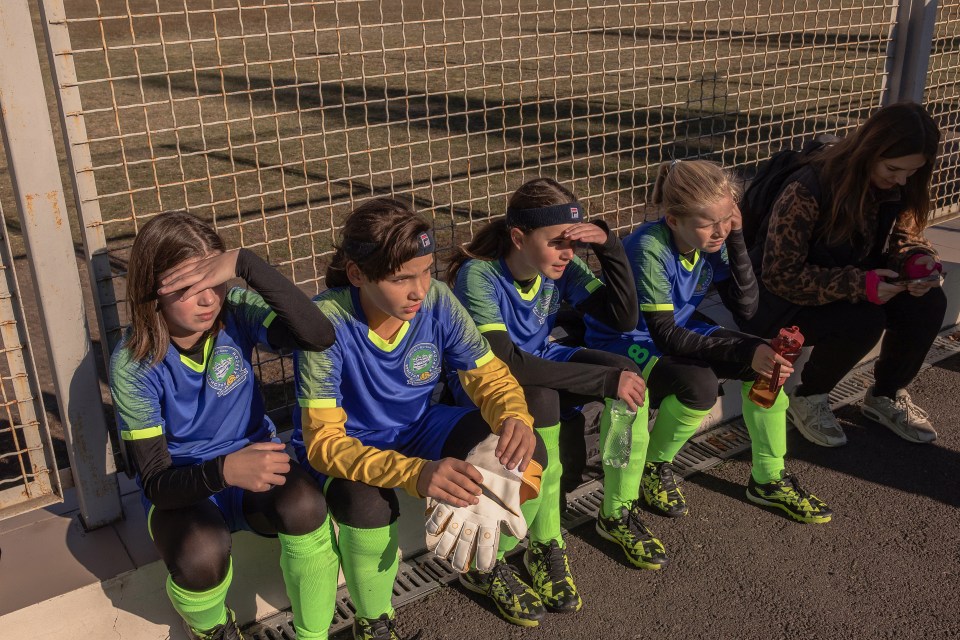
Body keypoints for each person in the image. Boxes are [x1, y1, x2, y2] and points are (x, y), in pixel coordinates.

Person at [290, 197, 547, 638]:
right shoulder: (325, 323)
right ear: (357, 274)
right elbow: (324, 444)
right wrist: (418, 474)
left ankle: (482, 564)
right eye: (400, 278)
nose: (419, 289)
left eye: (427, 270)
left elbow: (488, 377)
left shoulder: (439, 301)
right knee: (365, 503)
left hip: (419, 428)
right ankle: (373, 619)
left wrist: (514, 417)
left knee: (522, 452)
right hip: (353, 446)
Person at [109, 212, 340, 640]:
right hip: (186, 484)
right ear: (151, 294)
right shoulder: (133, 362)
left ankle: (315, 635)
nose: (208, 300)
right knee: (201, 553)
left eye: (214, 280)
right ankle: (213, 629)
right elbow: (157, 482)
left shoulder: (237, 311)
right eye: (185, 289)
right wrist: (223, 471)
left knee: (307, 507)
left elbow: (318, 335)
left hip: (255, 463)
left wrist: (246, 263)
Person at [446, 177, 676, 595]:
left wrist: (608, 247)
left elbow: (622, 319)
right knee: (546, 399)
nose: (568, 253)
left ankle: (615, 513)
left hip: (539, 362)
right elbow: (507, 364)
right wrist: (605, 380)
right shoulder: (478, 275)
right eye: (557, 242)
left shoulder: (562, 266)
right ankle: (544, 540)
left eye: (573, 242)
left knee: (630, 380)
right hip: (484, 383)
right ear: (518, 237)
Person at [585, 160, 833, 524]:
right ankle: (656, 465)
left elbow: (747, 308)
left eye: (725, 219)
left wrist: (736, 236)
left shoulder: (715, 237)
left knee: (769, 368)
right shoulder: (648, 246)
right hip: (627, 339)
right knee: (699, 387)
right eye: (708, 224)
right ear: (674, 220)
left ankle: (768, 478)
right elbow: (665, 335)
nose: (718, 231)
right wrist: (748, 349)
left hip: (675, 327)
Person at [743, 102, 946, 447]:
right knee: (864, 318)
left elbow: (902, 235)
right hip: (779, 302)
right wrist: (860, 285)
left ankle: (885, 394)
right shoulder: (808, 186)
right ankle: (809, 398)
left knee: (929, 303)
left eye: (912, 173)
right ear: (870, 151)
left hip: (851, 286)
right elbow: (779, 274)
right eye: (894, 169)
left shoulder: (899, 182)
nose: (901, 180)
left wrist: (917, 261)